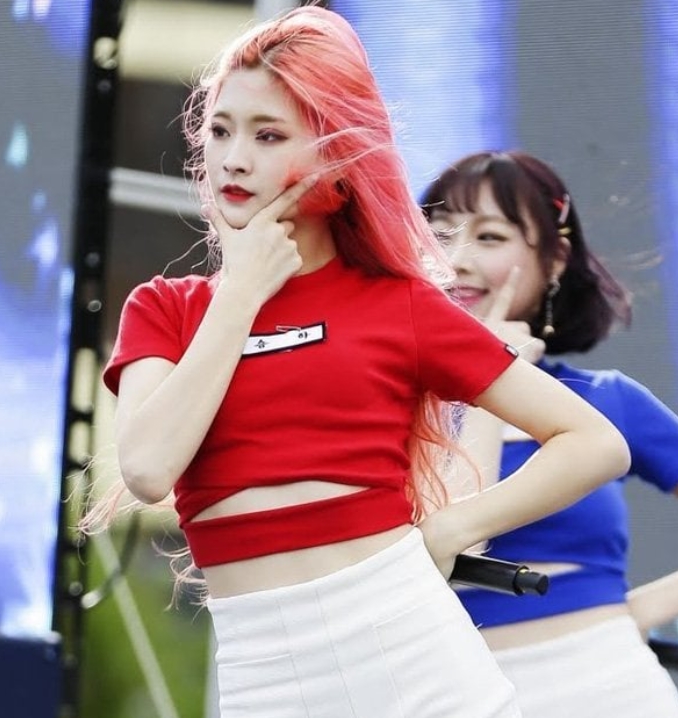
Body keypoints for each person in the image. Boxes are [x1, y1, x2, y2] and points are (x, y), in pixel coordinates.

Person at [99, 9, 631, 717]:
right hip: (262, 676)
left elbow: (595, 441)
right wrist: (242, 293)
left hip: (411, 656)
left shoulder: (396, 304)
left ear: (334, 155)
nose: (234, 158)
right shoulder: (166, 309)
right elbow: (147, 468)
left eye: (268, 135)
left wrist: (452, 528)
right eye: (220, 131)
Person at [420, 149, 678, 718]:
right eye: (439, 235)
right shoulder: (395, 409)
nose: (456, 260)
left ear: (554, 259)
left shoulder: (606, 400)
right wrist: (493, 369)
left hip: (611, 686)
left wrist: (635, 611)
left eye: (489, 237)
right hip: (455, 693)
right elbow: (460, 539)